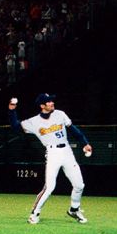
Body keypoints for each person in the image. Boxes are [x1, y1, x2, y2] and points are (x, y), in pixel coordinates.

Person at [8, 93, 92, 224]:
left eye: (52, 100)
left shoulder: (60, 114)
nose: (52, 102)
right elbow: (15, 126)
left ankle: (74, 210)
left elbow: (74, 130)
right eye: (48, 101)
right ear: (42, 106)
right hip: (53, 153)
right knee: (50, 187)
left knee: (79, 185)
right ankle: (35, 213)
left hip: (67, 152)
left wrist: (85, 143)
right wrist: (12, 110)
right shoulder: (34, 122)